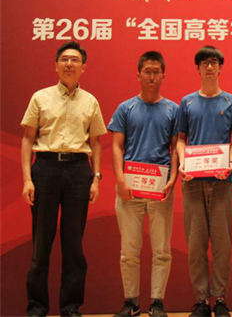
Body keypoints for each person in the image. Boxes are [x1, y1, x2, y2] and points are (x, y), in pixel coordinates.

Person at [20, 41, 107, 317]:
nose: (69, 64)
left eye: (75, 60)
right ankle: (37, 307)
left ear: (83, 67)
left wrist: (96, 178)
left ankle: (70, 308)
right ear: (56, 65)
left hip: (79, 171)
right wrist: (27, 180)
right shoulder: (40, 98)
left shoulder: (90, 101)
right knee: (41, 244)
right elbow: (27, 140)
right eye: (64, 59)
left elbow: (96, 143)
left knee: (74, 245)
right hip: (45, 169)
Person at [108, 51, 179, 317]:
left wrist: (173, 178)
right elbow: (117, 147)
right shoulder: (125, 108)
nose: (151, 76)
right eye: (147, 71)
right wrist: (119, 180)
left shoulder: (173, 110)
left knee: (162, 251)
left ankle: (157, 302)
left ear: (163, 75)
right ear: (138, 75)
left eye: (156, 72)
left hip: (161, 189)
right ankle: (131, 302)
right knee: (129, 251)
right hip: (130, 188)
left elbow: (176, 148)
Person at [177, 46, 232, 317]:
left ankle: (221, 299)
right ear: (197, 68)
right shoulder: (187, 102)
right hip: (193, 181)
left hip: (222, 181)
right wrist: (183, 162)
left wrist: (230, 162)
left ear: (220, 67)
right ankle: (202, 301)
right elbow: (181, 140)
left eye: (214, 62)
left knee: (222, 245)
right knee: (195, 246)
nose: (209, 67)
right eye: (204, 63)